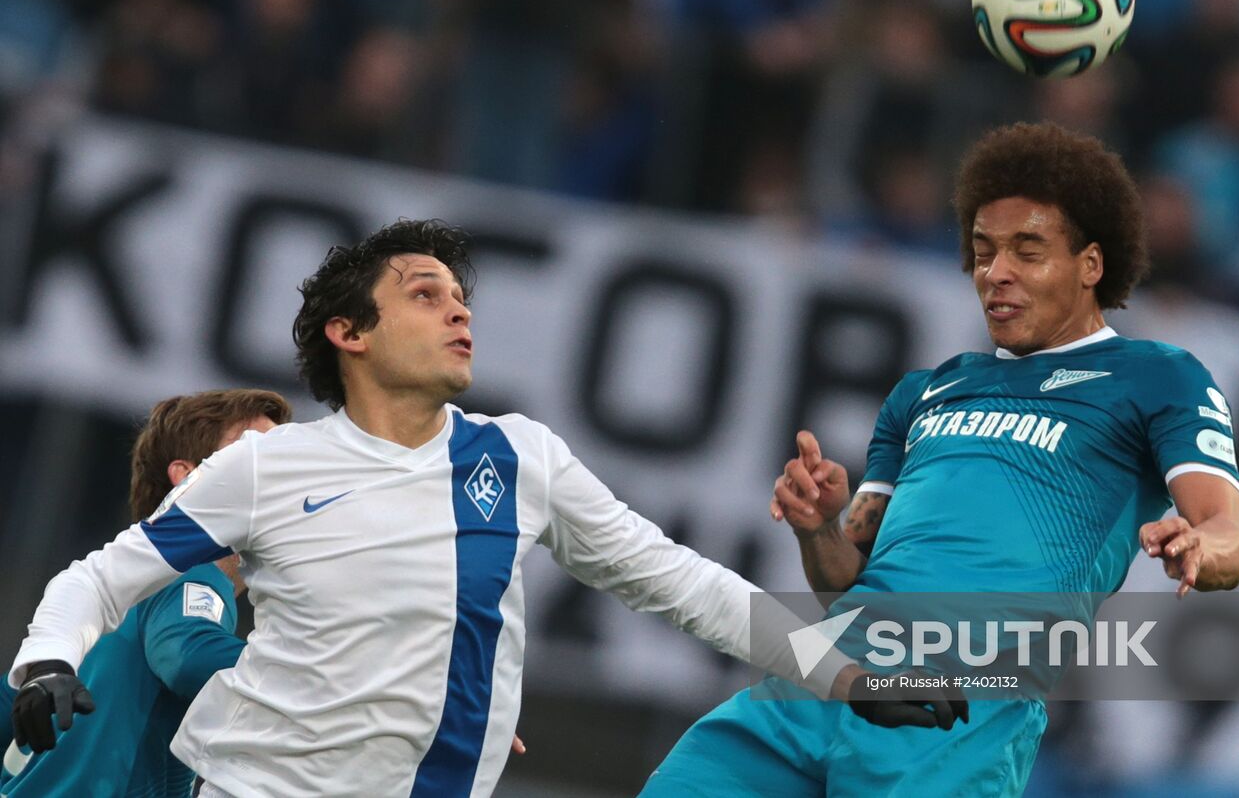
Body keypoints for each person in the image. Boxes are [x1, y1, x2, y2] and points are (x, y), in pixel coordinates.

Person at [8, 219, 944, 798]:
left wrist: (846, 674)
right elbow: (100, 576)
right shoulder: (266, 470)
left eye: (462, 297)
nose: (459, 312)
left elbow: (681, 583)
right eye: (426, 295)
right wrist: (45, 661)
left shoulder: (520, 456)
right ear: (351, 334)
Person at [642, 122, 1239, 796]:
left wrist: (1201, 542)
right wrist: (818, 526)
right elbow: (845, 581)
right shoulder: (924, 392)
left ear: (1091, 265)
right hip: (818, 676)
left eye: (1028, 250)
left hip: (962, 708)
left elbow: (1228, 535)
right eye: (984, 251)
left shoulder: (1157, 377)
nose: (997, 273)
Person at [1, 389, 290, 796]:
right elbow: (189, 656)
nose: (287, 476)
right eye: (258, 454)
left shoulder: (97, 613)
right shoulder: (193, 576)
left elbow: (8, 705)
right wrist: (327, 674)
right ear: (192, 479)